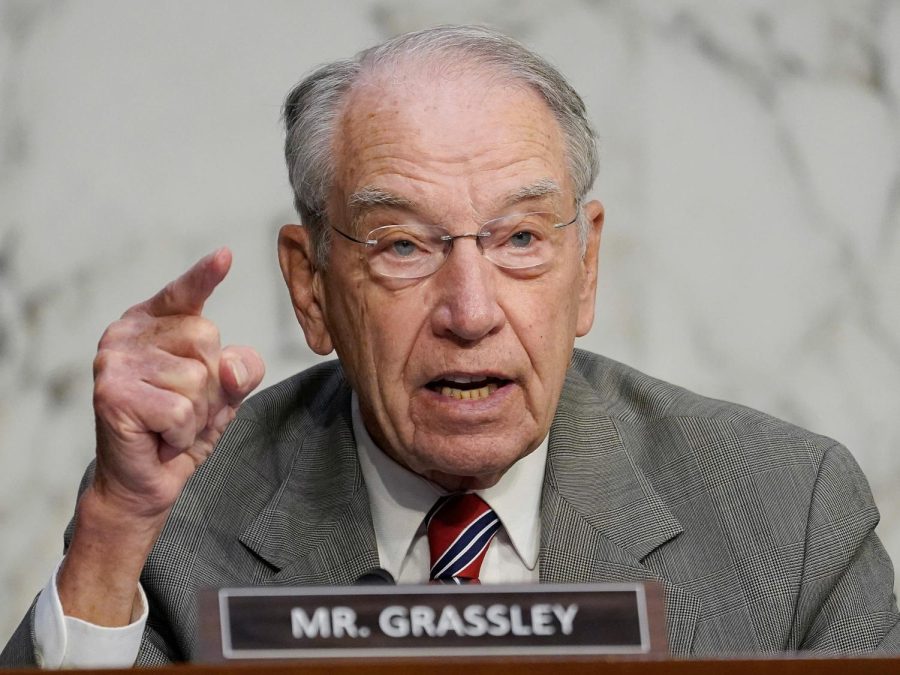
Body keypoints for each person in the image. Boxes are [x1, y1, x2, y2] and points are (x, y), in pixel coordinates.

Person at [2, 25, 899, 668]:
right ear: (311, 286)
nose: (470, 311)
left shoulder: (791, 514)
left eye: (519, 240)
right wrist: (115, 529)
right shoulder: (174, 522)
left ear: (584, 272)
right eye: (403, 245)